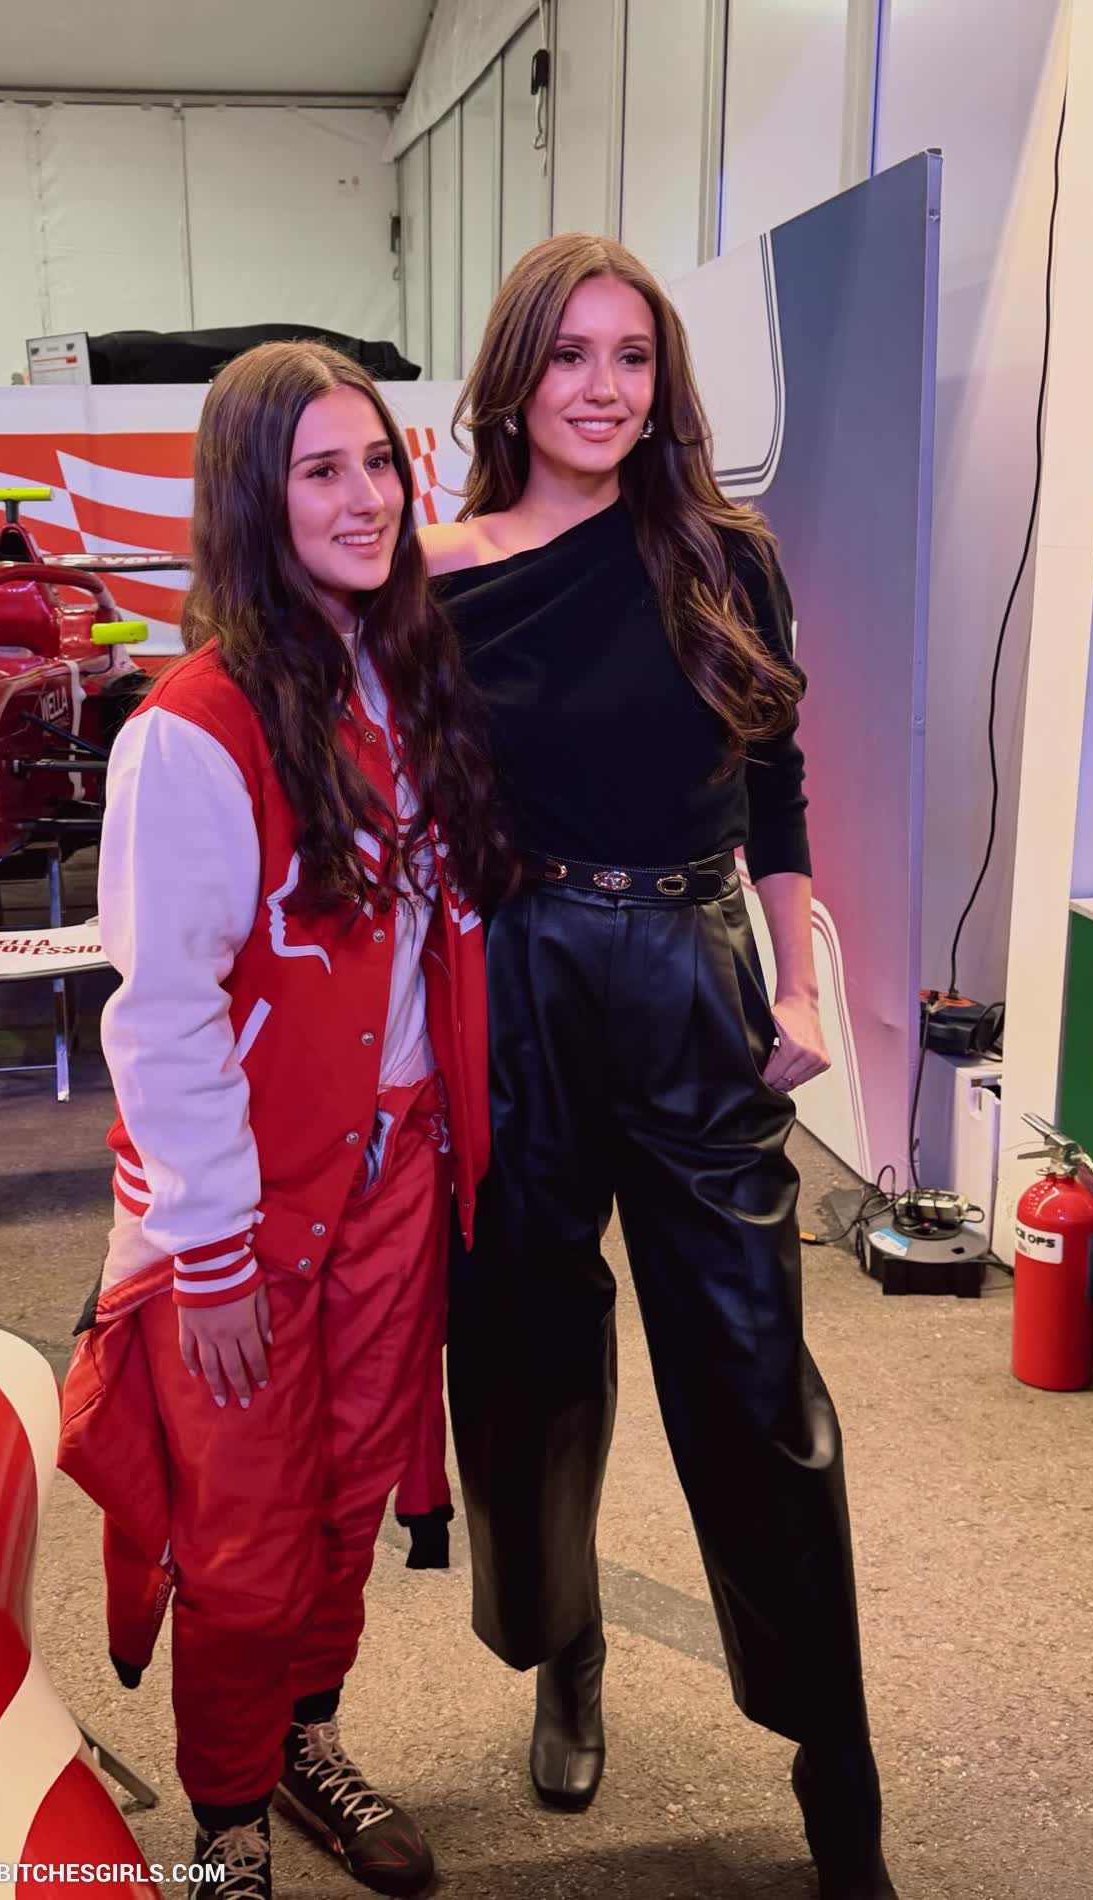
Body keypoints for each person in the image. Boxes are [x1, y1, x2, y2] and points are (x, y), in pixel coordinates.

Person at [421, 234, 897, 1900]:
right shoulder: (435, 573)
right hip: (521, 982)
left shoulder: (719, 553)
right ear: (512, 378)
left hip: (695, 977)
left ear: (663, 380)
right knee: (523, 1360)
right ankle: (562, 1647)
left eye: (630, 357)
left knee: (756, 1382)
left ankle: (832, 1758)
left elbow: (777, 785)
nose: (602, 389)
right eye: (568, 355)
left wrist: (803, 979)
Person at [57, 341, 510, 1900]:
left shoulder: (408, 676)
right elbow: (164, 1014)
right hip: (240, 1207)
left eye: (379, 462)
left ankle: (302, 1743)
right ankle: (224, 1820)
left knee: (346, 1498)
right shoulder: (191, 727)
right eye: (322, 470)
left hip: (396, 1175)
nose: (366, 498)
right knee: (243, 1535)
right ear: (254, 497)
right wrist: (206, 1249)